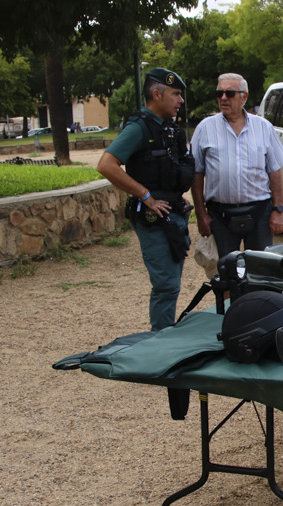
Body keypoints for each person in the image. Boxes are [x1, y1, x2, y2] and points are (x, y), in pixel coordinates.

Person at [96, 67, 193, 331]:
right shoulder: (139, 127)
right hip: (154, 219)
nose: (181, 100)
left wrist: (176, 197)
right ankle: (160, 343)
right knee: (166, 286)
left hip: (173, 215)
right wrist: (145, 195)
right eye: (175, 94)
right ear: (156, 94)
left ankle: (163, 337)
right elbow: (106, 165)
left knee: (171, 284)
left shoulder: (169, 128)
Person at [191, 73, 283, 257]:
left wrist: (278, 210)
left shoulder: (264, 127)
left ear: (244, 96)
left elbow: (275, 171)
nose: (223, 98)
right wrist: (201, 214)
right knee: (226, 273)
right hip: (219, 215)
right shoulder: (205, 128)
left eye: (229, 93)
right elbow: (196, 174)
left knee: (261, 269)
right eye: (219, 93)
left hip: (260, 212)